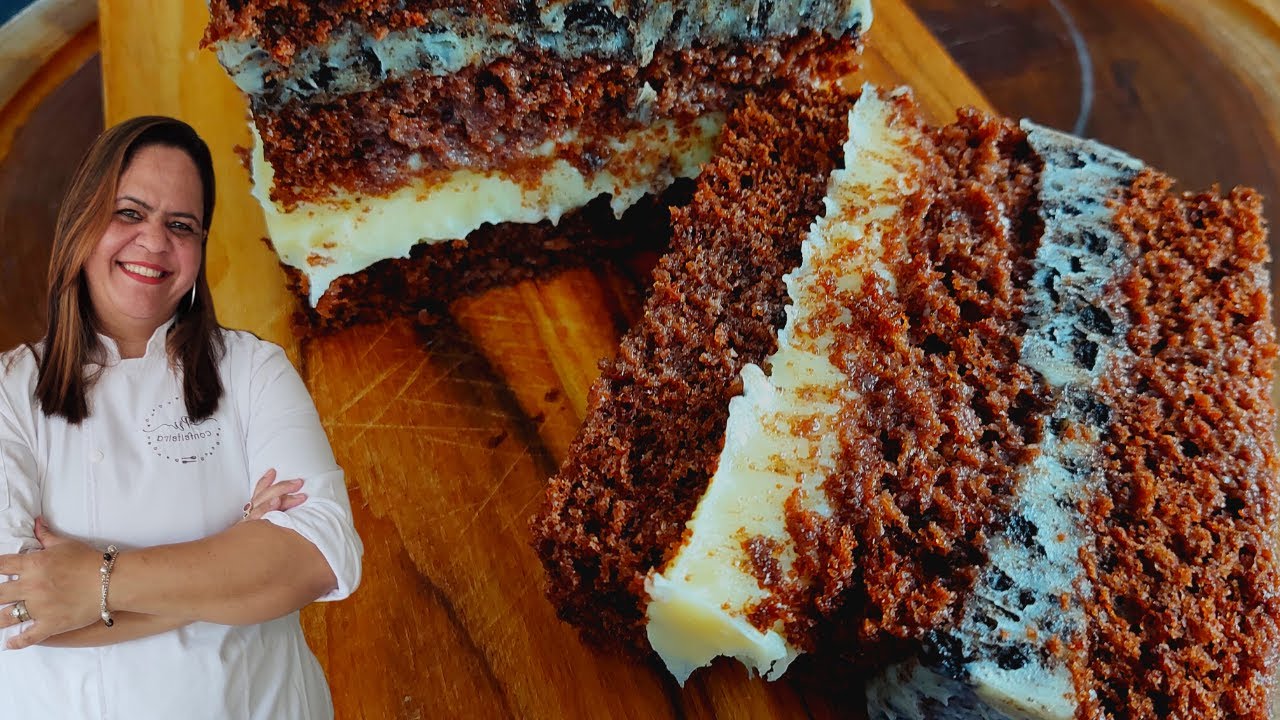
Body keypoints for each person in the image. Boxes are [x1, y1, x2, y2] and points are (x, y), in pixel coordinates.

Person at [0, 116, 363, 718]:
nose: (154, 242)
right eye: (129, 213)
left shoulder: (254, 372)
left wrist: (94, 583)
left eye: (181, 225)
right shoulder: (10, 392)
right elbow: (14, 610)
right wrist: (238, 568)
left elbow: (320, 555)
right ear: (80, 225)